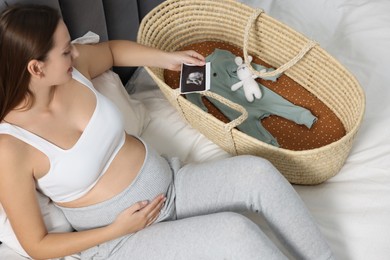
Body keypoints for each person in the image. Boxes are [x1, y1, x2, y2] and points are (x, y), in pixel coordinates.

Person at [0, 4, 334, 260]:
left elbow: (113, 51)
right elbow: (37, 244)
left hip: (171, 185)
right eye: (64, 51)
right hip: (120, 239)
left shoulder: (73, 74)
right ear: (35, 67)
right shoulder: (12, 146)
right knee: (235, 233)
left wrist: (168, 59)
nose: (74, 50)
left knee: (257, 173)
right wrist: (117, 229)